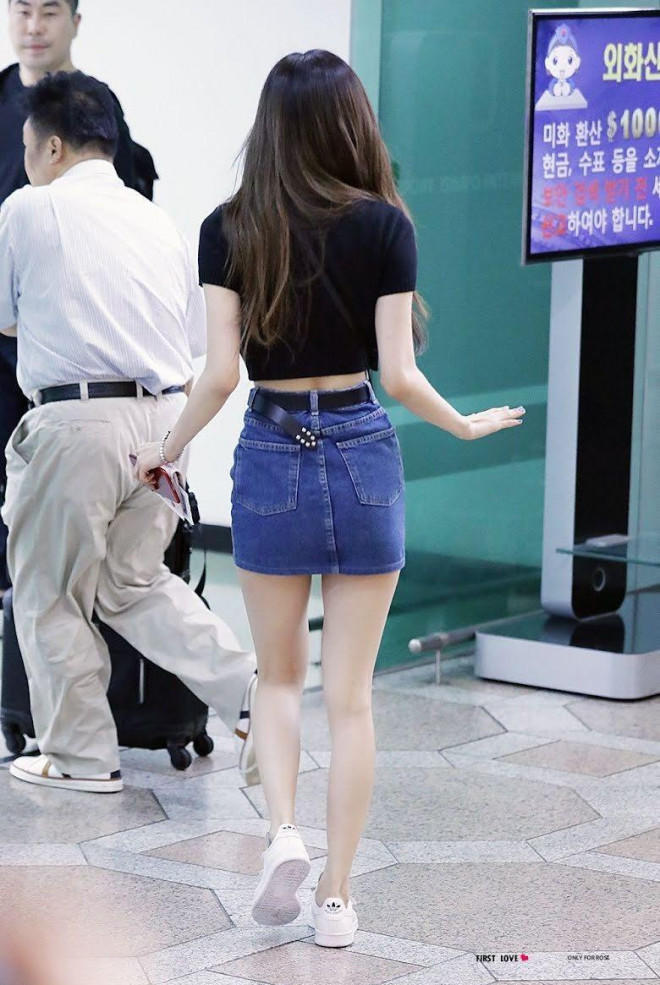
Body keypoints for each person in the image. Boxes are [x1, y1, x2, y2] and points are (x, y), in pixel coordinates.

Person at [135, 49, 525, 946]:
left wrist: (167, 447)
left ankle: (282, 831)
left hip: (272, 449)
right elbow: (399, 374)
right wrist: (463, 426)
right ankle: (339, 901)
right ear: (351, 124)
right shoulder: (385, 225)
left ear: (269, 128)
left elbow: (220, 375)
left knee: (278, 676)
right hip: (359, 449)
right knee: (351, 700)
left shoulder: (228, 227)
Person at [0, 71, 257, 793]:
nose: (26, 161)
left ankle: (81, 758)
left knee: (50, 592)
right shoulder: (158, 221)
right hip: (164, 425)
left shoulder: (29, 208)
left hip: (75, 423)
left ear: (53, 147)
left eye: (27, 147)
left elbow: (4, 316)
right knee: (135, 581)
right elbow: (192, 337)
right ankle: (248, 689)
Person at [0, 0, 138, 604]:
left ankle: (46, 618)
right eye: (22, 10)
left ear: (75, 22)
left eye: (49, 12)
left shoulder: (96, 107)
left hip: (68, 346)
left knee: (59, 512)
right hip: (5, 329)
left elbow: (121, 218)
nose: (34, 26)